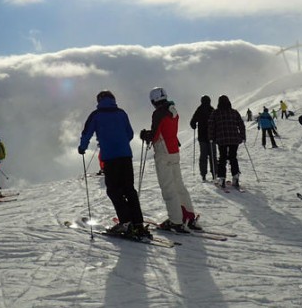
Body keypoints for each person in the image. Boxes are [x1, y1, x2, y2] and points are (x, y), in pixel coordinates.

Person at [78, 90, 149, 239]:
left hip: (110, 158)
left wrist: (82, 148)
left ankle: (126, 223)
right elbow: (130, 134)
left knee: (114, 190)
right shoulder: (121, 113)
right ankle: (138, 223)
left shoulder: (96, 115)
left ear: (99, 101)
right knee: (129, 189)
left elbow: (87, 133)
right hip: (126, 156)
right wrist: (120, 142)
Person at [140, 87, 200, 232]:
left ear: (154, 100)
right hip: (174, 151)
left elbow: (155, 135)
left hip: (163, 152)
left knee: (168, 187)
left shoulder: (158, 113)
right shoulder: (173, 110)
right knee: (179, 185)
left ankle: (175, 221)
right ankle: (188, 216)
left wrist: (145, 135)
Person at [207, 95, 246, 189]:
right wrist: (242, 136)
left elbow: (211, 126)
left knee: (222, 158)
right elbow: (241, 124)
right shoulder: (234, 112)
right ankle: (235, 176)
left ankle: (222, 178)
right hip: (234, 138)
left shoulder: (215, 113)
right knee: (233, 157)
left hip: (222, 139)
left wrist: (211, 137)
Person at [189, 95, 214, 181]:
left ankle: (203, 174)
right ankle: (214, 173)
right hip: (212, 136)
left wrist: (194, 125)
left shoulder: (199, 110)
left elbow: (192, 122)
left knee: (203, 156)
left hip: (202, 137)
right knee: (212, 155)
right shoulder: (212, 109)